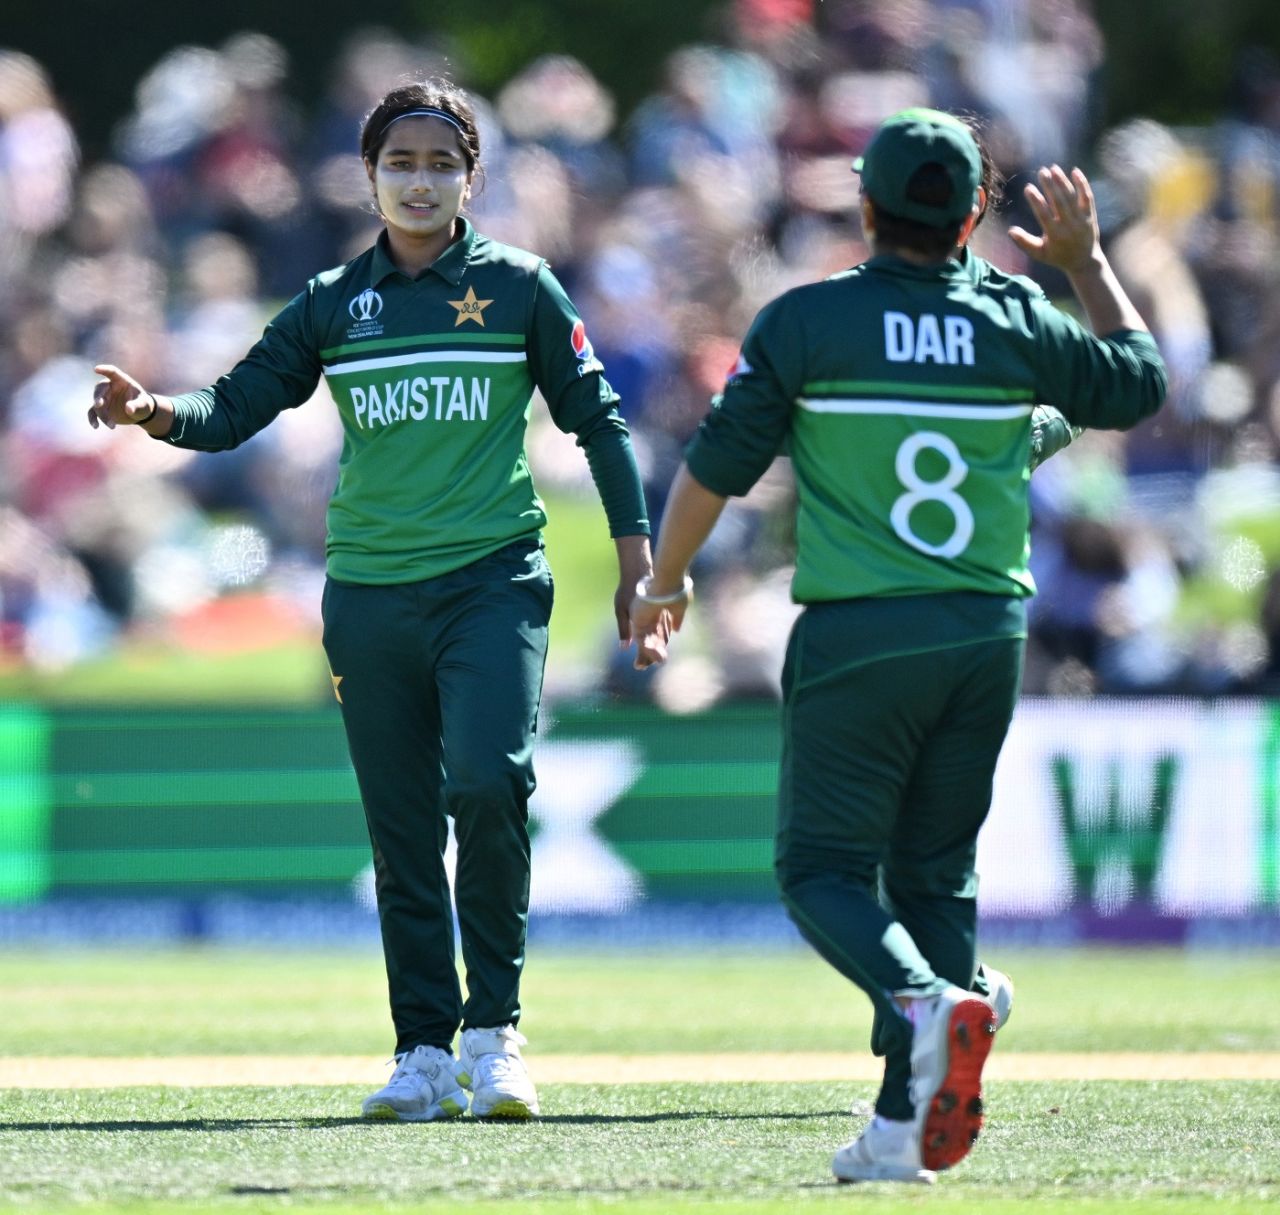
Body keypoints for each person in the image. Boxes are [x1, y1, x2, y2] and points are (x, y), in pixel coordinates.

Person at [89, 79, 652, 1122]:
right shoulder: (332, 300)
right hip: (368, 594)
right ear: (369, 175)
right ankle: (423, 1051)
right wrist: (155, 410)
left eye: (441, 164)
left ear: (472, 178)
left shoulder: (520, 288)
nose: (420, 182)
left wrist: (638, 559)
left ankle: (495, 1036)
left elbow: (601, 421)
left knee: (488, 782)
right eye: (401, 163)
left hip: (492, 581)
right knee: (401, 829)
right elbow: (236, 405)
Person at [630, 107, 1166, 1183]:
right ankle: (898, 1127)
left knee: (819, 870)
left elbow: (716, 467)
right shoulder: (1015, 314)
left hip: (860, 630)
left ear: (865, 210)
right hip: (986, 634)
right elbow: (1138, 381)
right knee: (935, 878)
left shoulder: (808, 321)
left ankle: (923, 1001)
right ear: (972, 217)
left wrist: (665, 580)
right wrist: (1085, 261)